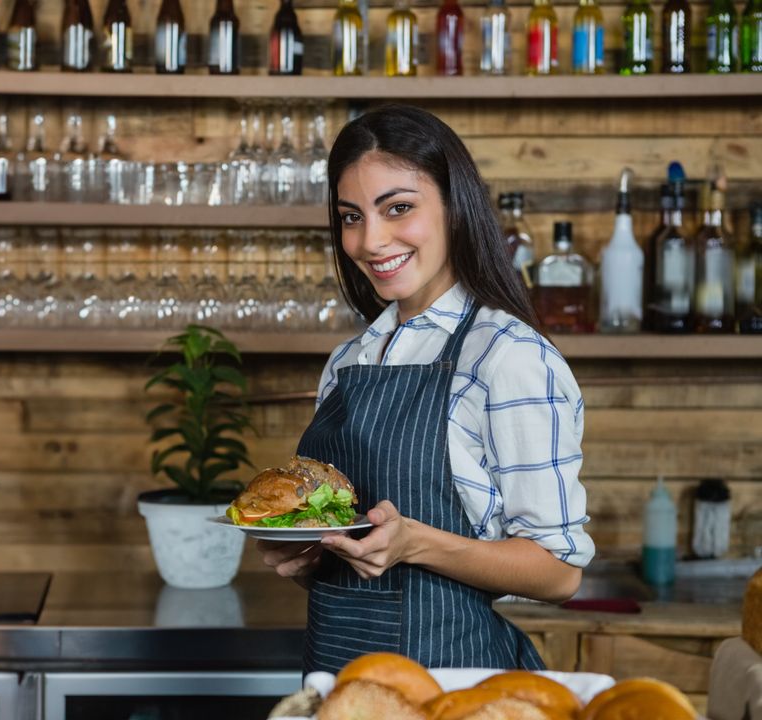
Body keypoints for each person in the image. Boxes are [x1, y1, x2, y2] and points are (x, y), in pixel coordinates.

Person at [253, 105, 593, 674]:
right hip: (337, 681)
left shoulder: (508, 356)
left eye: (399, 209)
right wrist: (311, 555)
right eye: (351, 216)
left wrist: (413, 543)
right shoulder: (349, 360)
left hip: (451, 686)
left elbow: (559, 572)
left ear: (455, 206)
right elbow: (357, 563)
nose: (371, 240)